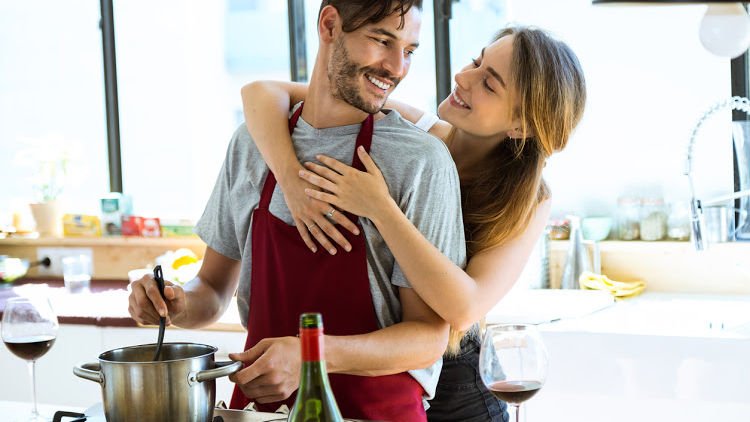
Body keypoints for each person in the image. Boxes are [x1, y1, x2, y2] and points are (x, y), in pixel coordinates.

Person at [127, 1, 467, 421]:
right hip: (261, 412)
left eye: (410, 51)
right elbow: (213, 291)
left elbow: (428, 336)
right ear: (329, 25)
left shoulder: (418, 161)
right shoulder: (253, 144)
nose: (397, 67)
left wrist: (310, 355)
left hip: (376, 413)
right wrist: (175, 304)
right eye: (382, 41)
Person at [240, 25, 587, 421]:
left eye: (489, 84)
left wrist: (382, 209)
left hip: (459, 394)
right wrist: (290, 179)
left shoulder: (528, 199)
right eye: (476, 61)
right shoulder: (410, 131)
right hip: (380, 376)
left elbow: (464, 307)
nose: (463, 77)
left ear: (521, 126)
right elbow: (261, 94)